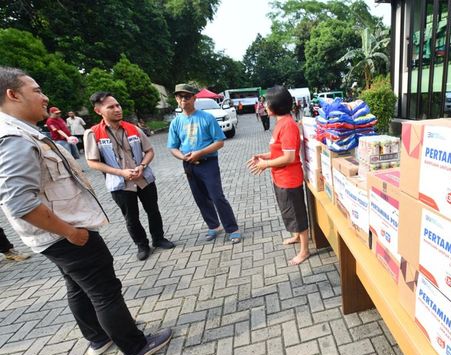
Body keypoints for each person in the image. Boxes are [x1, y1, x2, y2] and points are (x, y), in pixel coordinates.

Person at [0, 67, 172, 355]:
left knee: (78, 286)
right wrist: (70, 232)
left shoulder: (22, 132)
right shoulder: (14, 138)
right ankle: (136, 347)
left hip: (57, 232)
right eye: (37, 90)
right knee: (105, 290)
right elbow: (19, 202)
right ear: (12, 94)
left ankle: (99, 337)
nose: (45, 97)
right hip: (65, 232)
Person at [84, 91, 176, 261]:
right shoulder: (93, 133)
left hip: (144, 179)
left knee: (153, 211)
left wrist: (142, 165)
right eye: (111, 107)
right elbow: (92, 162)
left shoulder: (133, 128)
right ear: (99, 111)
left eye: (118, 105)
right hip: (120, 184)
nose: (117, 109)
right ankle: (142, 245)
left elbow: (149, 151)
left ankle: (159, 239)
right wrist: (121, 173)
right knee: (131, 217)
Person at [167, 84, 242, 244]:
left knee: (217, 196)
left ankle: (232, 228)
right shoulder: (176, 122)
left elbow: (219, 142)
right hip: (189, 164)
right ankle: (214, 226)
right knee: (200, 197)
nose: (183, 100)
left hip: (208, 163)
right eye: (180, 97)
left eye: (187, 96)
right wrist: (183, 157)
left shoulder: (207, 118)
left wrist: (200, 153)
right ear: (176, 99)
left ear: (194, 98)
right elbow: (172, 147)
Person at [247, 86, 309, 265]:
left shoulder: (288, 125)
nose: (264, 105)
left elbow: (289, 157)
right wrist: (263, 156)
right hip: (280, 178)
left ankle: (304, 250)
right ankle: (297, 236)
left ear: (275, 105)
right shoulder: (281, 123)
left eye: (266, 102)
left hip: (289, 179)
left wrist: (265, 164)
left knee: (297, 214)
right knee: (288, 211)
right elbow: (279, 151)